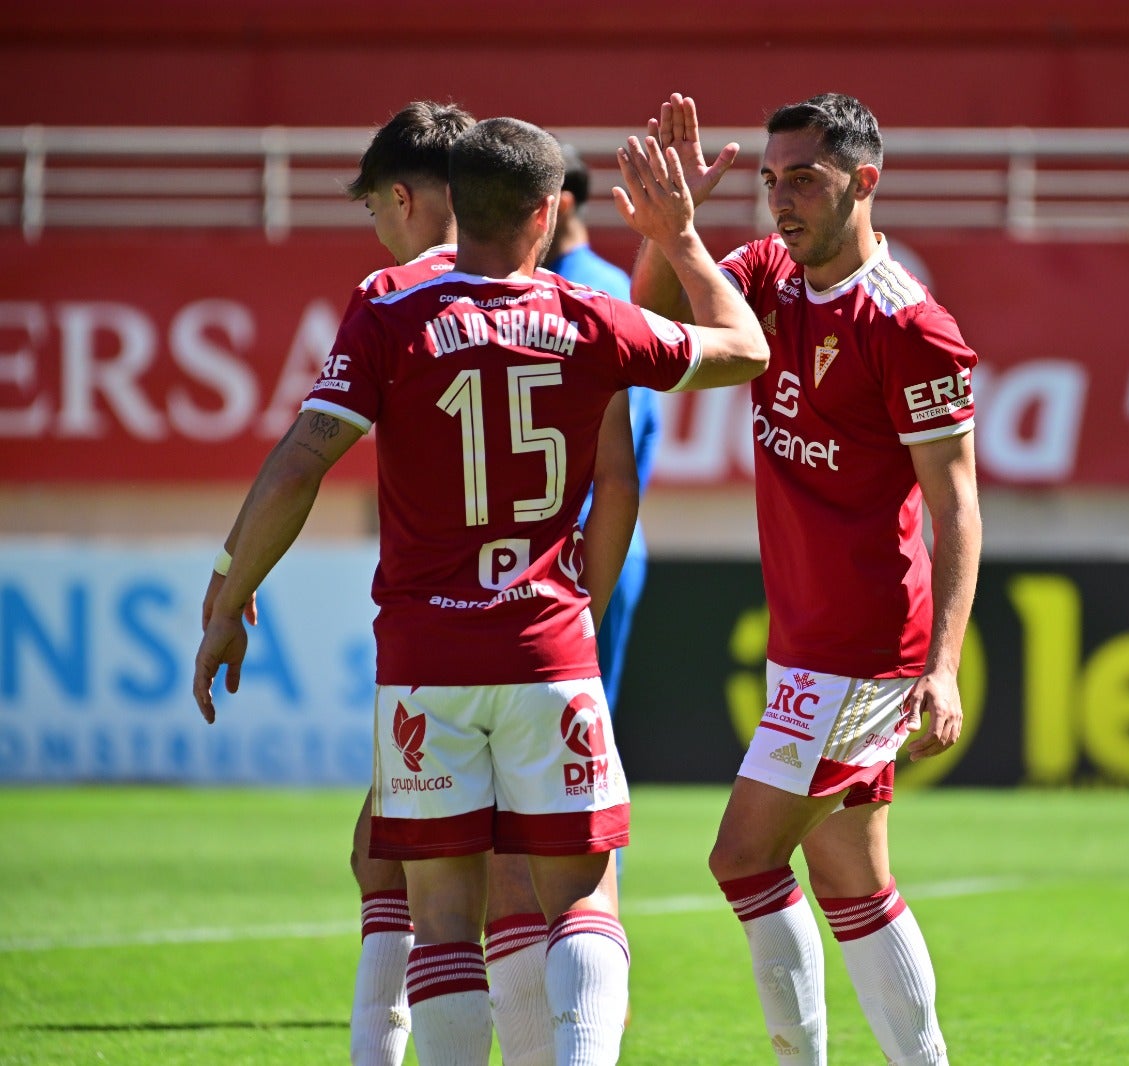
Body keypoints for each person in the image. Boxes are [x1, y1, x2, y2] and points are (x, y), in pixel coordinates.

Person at [194, 117, 768, 1065]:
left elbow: (300, 463)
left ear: (453, 205)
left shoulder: (388, 310)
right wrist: (679, 236)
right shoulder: (592, 317)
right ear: (550, 213)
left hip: (426, 666)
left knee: (444, 917)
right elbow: (743, 349)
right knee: (578, 900)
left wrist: (227, 595)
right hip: (548, 649)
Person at [630, 92, 981, 1066]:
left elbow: (954, 506)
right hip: (805, 640)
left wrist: (943, 665)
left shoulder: (912, 327)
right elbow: (651, 321)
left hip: (865, 644)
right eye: (770, 179)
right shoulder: (765, 276)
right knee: (851, 878)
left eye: (804, 180)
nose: (780, 201)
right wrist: (677, 234)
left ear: (863, 183)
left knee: (741, 857)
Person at [544, 142, 660, 735]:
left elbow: (632, 429)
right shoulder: (587, 284)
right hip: (584, 536)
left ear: (559, 204)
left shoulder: (596, 291)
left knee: (578, 729)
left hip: (590, 535)